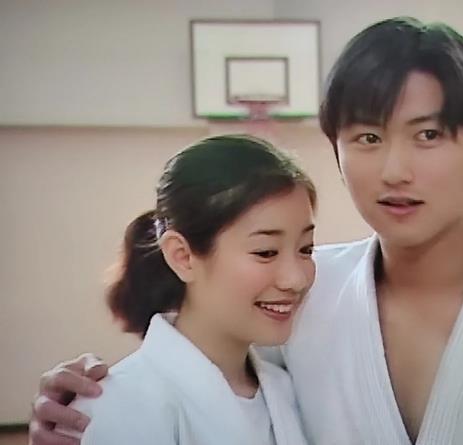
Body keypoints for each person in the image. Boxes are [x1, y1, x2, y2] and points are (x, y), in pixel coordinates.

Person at [30, 17, 463, 445]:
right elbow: (195, 367)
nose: (395, 170)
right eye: (368, 137)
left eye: (428, 135)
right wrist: (88, 405)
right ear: (338, 151)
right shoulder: (297, 302)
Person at [48, 135, 315, 444]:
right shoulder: (120, 406)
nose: (296, 279)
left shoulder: (285, 390)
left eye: (306, 249)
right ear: (182, 256)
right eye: (266, 252)